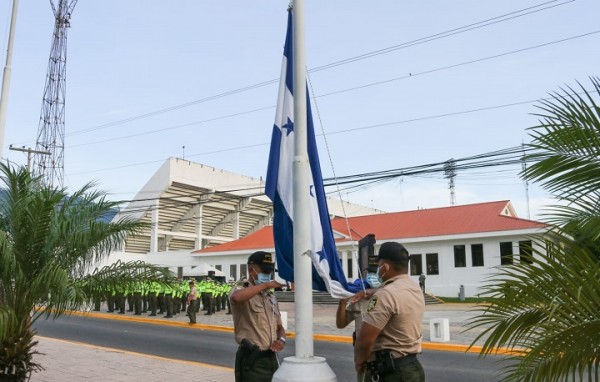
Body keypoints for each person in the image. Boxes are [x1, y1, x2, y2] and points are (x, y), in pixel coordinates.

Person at [354, 242, 425, 382]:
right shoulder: (415, 288)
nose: (377, 270)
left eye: (378, 265)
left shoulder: (384, 296)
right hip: (412, 368)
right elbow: (396, 295)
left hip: (391, 373)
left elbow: (364, 341)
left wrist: (359, 362)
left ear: (385, 266)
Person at [229, 251, 286, 382]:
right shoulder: (241, 289)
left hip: (271, 357)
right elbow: (236, 298)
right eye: (265, 271)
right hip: (252, 358)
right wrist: (265, 285)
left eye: (270, 272)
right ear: (251, 270)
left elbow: (279, 326)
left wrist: (281, 340)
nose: (268, 275)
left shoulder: (270, 297)